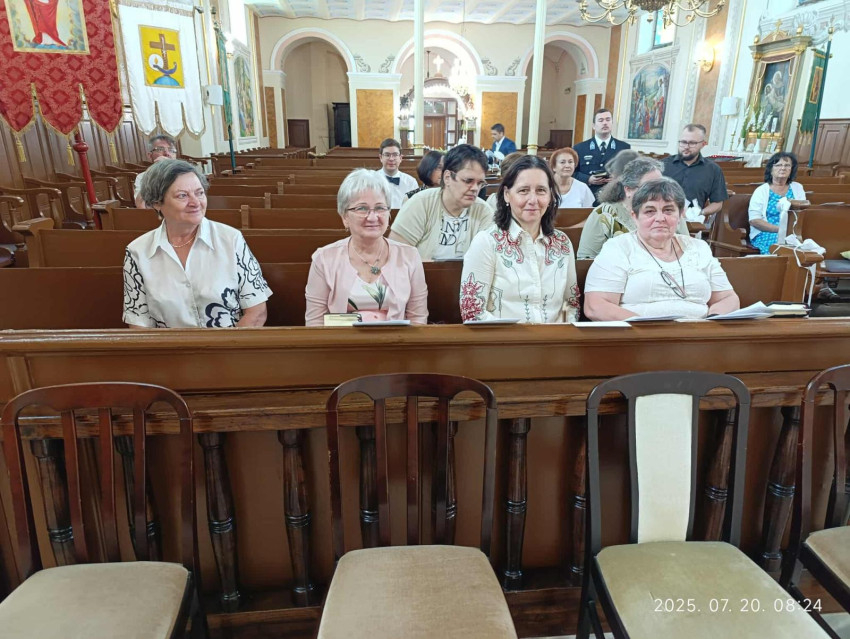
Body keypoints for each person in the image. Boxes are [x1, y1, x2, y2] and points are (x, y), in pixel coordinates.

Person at [123, 160, 271, 328]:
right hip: (169, 345)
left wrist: (230, 345)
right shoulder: (138, 252)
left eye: (199, 193)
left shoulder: (231, 239)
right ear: (157, 202)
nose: (195, 203)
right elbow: (138, 323)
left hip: (231, 341)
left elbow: (256, 312)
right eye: (182, 196)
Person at [584, 178, 739, 320]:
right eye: (650, 211)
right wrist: (649, 329)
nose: (660, 218)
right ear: (635, 216)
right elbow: (596, 306)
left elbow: (728, 298)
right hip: (639, 336)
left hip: (699, 335)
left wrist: (712, 322)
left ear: (680, 215)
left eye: (668, 210)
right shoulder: (618, 248)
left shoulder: (699, 248)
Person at [460, 155, 579, 323]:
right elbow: (473, 312)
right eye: (523, 191)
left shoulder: (562, 243)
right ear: (507, 195)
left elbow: (570, 303)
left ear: (551, 195)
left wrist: (562, 331)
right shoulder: (487, 242)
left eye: (541, 190)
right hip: (503, 338)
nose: (533, 200)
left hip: (555, 338)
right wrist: (522, 337)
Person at [305, 169, 427, 325]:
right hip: (341, 340)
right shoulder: (324, 259)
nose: (372, 217)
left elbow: (418, 319)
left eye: (380, 208)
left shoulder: (409, 255)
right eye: (362, 208)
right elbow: (315, 323)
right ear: (345, 217)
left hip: (397, 340)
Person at [390, 144, 494, 261]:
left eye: (480, 183)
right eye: (468, 181)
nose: (475, 188)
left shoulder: (484, 212)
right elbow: (396, 255)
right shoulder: (420, 203)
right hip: (420, 273)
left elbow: (489, 260)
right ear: (447, 177)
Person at [577, 157, 688, 259]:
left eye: (660, 186)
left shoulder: (671, 213)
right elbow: (586, 259)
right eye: (648, 188)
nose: (658, 192)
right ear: (628, 190)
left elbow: (688, 250)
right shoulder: (603, 214)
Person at [663, 124, 728, 222]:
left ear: (703, 144)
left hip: (692, 222)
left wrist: (699, 213)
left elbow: (718, 203)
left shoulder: (713, 170)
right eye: (683, 142)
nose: (686, 147)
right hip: (662, 219)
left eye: (692, 143)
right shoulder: (663, 165)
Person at [748, 152, 807, 254]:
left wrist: (791, 231)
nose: (783, 168)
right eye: (778, 165)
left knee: (806, 248)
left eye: (787, 165)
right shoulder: (761, 190)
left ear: (791, 169)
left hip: (793, 233)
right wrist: (780, 230)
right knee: (781, 249)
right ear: (771, 169)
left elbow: (803, 212)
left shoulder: (797, 188)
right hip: (767, 232)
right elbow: (754, 220)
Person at [573, 108, 631, 202]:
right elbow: (573, 173)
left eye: (608, 120)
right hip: (588, 197)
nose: (605, 123)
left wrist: (618, 178)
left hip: (615, 198)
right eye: (600, 120)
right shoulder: (580, 148)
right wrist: (588, 179)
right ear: (593, 126)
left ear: (612, 123)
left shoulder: (624, 148)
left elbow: (631, 173)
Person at [134, 134, 178, 208]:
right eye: (160, 149)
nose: (167, 154)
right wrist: (152, 175)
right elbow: (141, 206)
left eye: (171, 150)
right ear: (150, 155)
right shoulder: (143, 177)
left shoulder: (186, 175)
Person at [375, 138, 417, 209]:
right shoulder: (371, 181)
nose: (391, 159)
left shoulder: (411, 182)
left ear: (400, 158)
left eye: (395, 155)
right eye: (387, 155)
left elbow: (415, 207)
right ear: (381, 157)